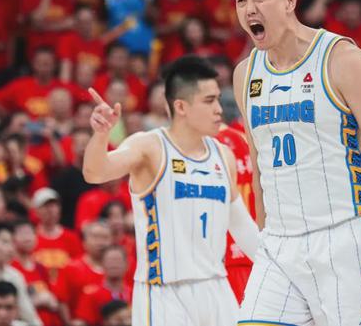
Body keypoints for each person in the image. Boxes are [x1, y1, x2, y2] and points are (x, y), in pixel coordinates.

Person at [232, 0, 361, 325]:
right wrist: (265, 238)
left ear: (290, 1)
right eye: (241, 0)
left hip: (346, 238)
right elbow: (260, 167)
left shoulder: (343, 60)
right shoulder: (245, 74)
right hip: (280, 245)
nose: (249, 9)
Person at [82, 56, 260, 326]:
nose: (219, 110)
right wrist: (101, 135)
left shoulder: (223, 155)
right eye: (209, 101)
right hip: (164, 293)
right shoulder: (148, 147)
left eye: (217, 99)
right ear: (181, 106)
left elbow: (242, 227)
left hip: (217, 288)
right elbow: (95, 172)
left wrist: (286, 270)